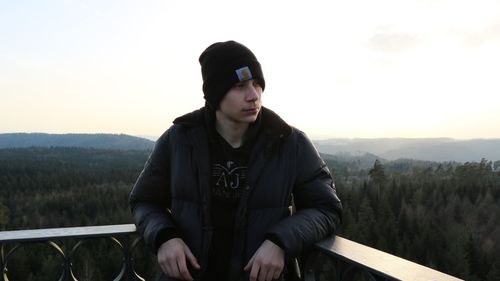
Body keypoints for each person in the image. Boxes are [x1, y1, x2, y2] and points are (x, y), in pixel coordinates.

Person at [129, 40, 342, 281]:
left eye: (257, 85)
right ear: (215, 94)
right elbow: (144, 201)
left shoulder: (289, 143)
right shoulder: (178, 140)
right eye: (240, 86)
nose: (253, 96)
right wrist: (164, 237)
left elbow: (326, 208)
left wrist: (280, 241)